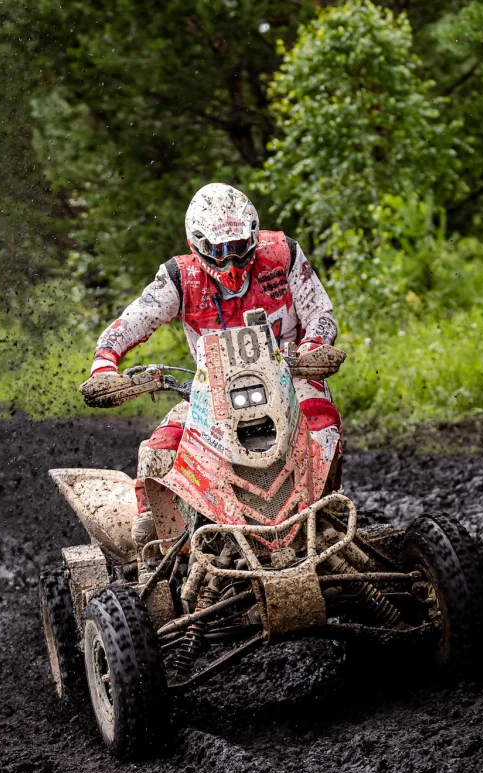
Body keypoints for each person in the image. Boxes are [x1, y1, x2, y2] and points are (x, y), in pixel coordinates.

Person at [80, 183, 342, 547]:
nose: (229, 260)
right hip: (211, 391)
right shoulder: (180, 276)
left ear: (252, 237)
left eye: (237, 248)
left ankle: (328, 505)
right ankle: (165, 543)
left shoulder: (282, 253)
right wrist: (104, 365)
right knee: (160, 447)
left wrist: (314, 347)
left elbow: (320, 312)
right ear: (197, 245)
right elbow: (133, 320)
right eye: (217, 251)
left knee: (322, 418)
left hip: (290, 375)